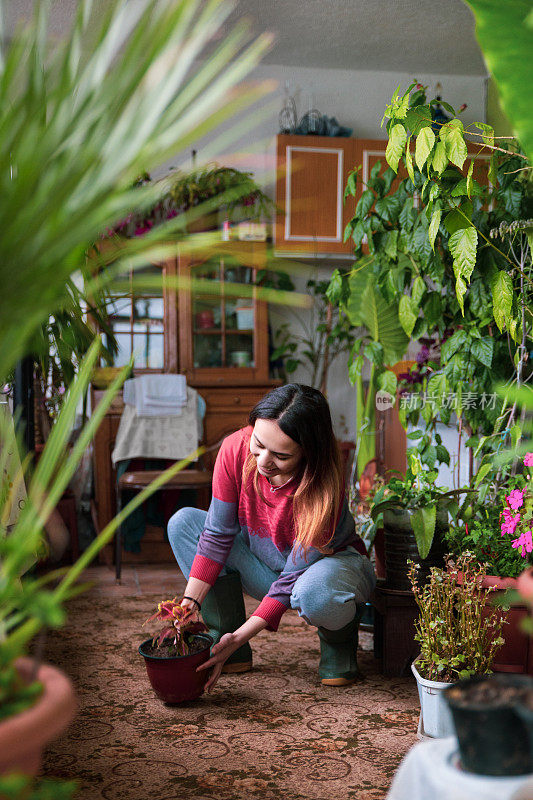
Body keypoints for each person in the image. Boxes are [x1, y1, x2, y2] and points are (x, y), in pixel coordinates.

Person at [168, 383, 376, 692]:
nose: (264, 460)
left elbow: (291, 580)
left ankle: (339, 642)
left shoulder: (323, 485)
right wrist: (188, 603)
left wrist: (244, 633)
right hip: (268, 565)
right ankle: (226, 641)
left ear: (308, 452)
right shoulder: (234, 448)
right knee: (184, 523)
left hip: (326, 572)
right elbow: (216, 535)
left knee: (314, 594)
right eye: (258, 443)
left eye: (280, 455)